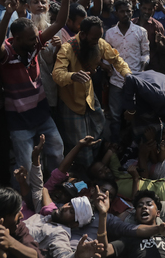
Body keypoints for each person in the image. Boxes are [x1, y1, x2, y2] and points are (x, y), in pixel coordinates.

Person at [0, 0, 72, 174]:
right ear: (17, 38)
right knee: (26, 166)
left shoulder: (34, 44)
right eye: (31, 40)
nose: (37, 42)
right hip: (19, 120)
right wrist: (9, 14)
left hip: (42, 113)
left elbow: (59, 23)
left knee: (56, 151)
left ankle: (53, 186)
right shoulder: (6, 54)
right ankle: (30, 199)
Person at [52, 16, 130, 167]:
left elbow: (117, 60)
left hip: (89, 96)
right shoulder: (67, 48)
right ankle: (83, 173)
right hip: (72, 102)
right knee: (79, 141)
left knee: (98, 130)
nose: (97, 41)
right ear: (83, 35)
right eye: (94, 38)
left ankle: (96, 166)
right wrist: (72, 76)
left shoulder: (99, 43)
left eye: (99, 37)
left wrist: (127, 74)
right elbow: (57, 74)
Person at [97, 188, 165, 258]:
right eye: (140, 206)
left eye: (149, 204)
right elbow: (105, 251)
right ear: (136, 215)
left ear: (158, 213)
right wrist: (103, 215)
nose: (144, 207)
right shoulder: (130, 238)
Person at [104, 0, 150, 143]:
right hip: (116, 81)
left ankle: (133, 145)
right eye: (122, 11)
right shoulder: (110, 33)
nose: (126, 14)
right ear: (116, 13)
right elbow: (107, 58)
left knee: (135, 114)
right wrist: (108, 71)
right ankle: (116, 145)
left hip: (135, 79)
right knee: (115, 116)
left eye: (128, 11)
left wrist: (141, 71)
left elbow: (145, 54)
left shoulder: (140, 31)